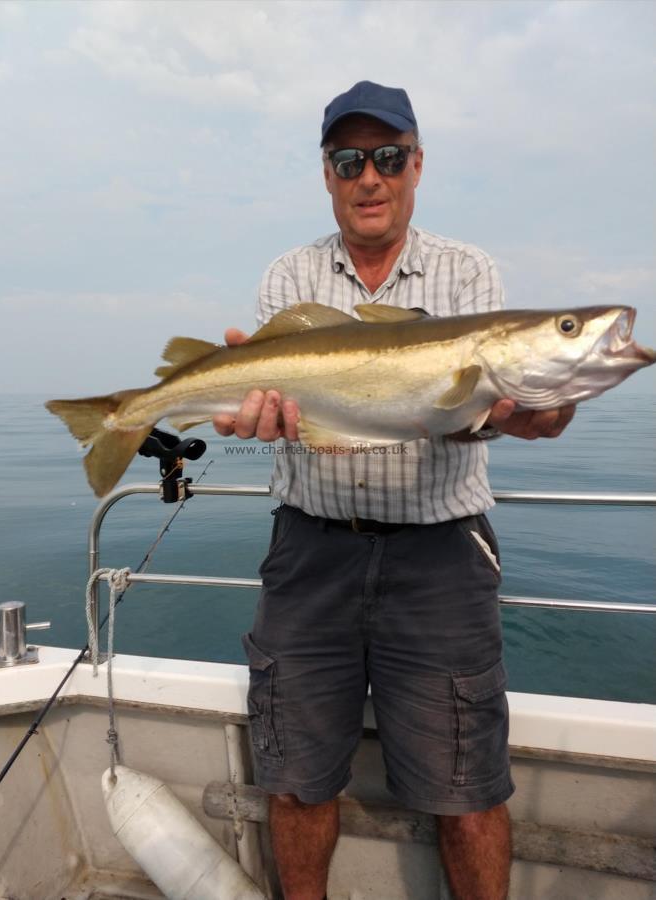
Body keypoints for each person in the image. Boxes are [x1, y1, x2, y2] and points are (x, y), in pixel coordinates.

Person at [214, 81, 575, 900]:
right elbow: (294, 409)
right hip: (310, 553)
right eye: (349, 161)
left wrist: (517, 418)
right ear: (327, 174)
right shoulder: (290, 276)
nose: (368, 177)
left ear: (415, 165)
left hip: (438, 558)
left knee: (469, 786)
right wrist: (263, 416)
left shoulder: (466, 271)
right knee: (298, 778)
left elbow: (483, 410)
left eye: (385, 157)